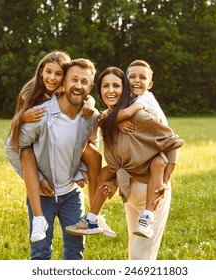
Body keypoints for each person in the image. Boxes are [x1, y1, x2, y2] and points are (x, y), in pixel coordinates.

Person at [66, 67, 182, 260]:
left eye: (116, 86)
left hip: (152, 196)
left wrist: (165, 179)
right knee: (132, 255)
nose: (110, 90)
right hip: (130, 196)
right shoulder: (107, 121)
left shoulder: (139, 116)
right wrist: (114, 183)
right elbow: (127, 161)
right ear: (100, 90)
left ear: (125, 89)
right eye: (105, 86)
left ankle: (96, 219)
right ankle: (93, 219)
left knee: (140, 260)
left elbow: (173, 142)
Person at [5, 58, 98, 260]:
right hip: (43, 195)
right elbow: (12, 147)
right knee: (41, 253)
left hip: (72, 195)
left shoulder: (91, 116)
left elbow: (91, 144)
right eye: (74, 80)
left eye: (84, 82)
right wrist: (37, 180)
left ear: (90, 87)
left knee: (75, 251)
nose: (78, 85)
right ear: (64, 83)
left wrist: (82, 171)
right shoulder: (40, 114)